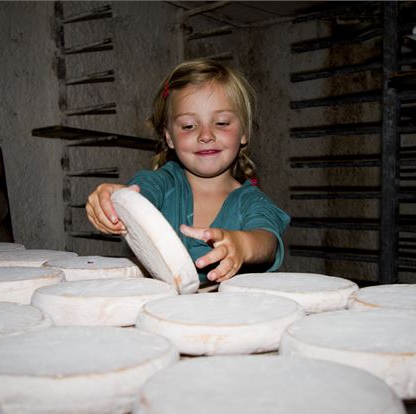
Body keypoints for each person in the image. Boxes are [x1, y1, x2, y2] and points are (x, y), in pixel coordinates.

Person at [86, 59, 290, 282]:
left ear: (244, 132)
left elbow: (267, 241)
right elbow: (139, 195)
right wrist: (115, 200)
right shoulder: (164, 183)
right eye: (188, 126)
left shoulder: (253, 202)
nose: (205, 135)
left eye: (221, 122)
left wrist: (242, 245)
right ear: (169, 137)